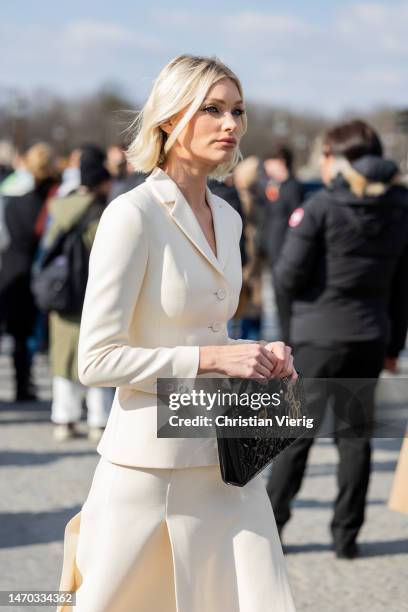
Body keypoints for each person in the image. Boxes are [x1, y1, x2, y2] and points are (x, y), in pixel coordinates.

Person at [56, 54, 297, 612]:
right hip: (150, 469)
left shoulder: (229, 216)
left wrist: (256, 353)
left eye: (238, 110)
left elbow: (207, 328)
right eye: (211, 109)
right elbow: (96, 359)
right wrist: (214, 359)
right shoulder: (132, 215)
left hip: (230, 459)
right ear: (168, 119)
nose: (231, 124)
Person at [266, 120, 408, 559]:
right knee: (355, 440)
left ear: (342, 159)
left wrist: (291, 332)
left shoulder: (322, 205)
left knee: (294, 438)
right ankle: (346, 537)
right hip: (368, 335)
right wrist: (392, 347)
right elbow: (403, 286)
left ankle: (272, 530)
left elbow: (287, 275)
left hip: (315, 336)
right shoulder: (402, 207)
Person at [47, 145, 114, 442]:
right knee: (99, 353)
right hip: (92, 293)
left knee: (63, 357)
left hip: (61, 293)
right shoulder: (101, 211)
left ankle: (64, 418)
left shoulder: (59, 207)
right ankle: (98, 420)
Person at [0, 143, 58, 401]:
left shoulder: (11, 201)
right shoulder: (53, 201)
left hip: (14, 268)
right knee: (42, 333)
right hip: (45, 272)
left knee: (19, 336)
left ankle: (21, 385)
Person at [256, 145, 304, 343]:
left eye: (271, 163)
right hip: (273, 255)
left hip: (286, 255)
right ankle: (288, 342)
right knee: (279, 304)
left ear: (282, 163)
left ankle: (292, 347)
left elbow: (296, 222)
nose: (267, 168)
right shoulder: (275, 187)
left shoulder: (293, 187)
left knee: (288, 306)